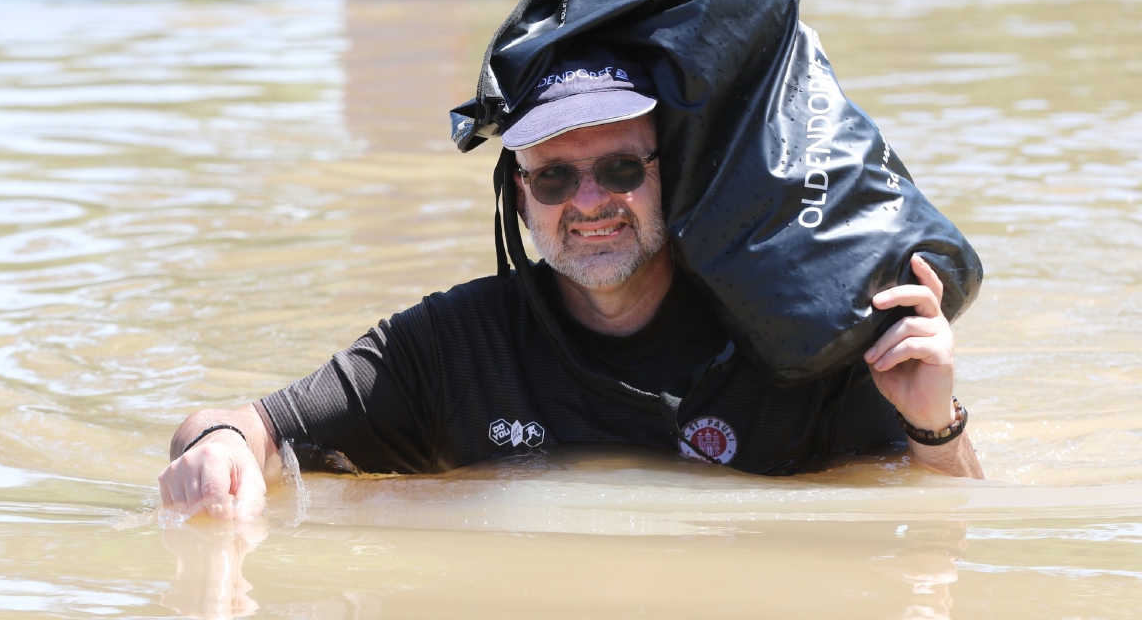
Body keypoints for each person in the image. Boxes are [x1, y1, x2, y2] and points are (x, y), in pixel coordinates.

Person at [159, 52, 984, 521]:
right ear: (520, 196)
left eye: (621, 168)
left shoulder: (791, 331)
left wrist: (933, 424)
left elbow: (938, 535)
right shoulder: (453, 343)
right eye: (553, 177)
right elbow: (243, 422)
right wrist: (220, 450)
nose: (588, 202)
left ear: (673, 176)